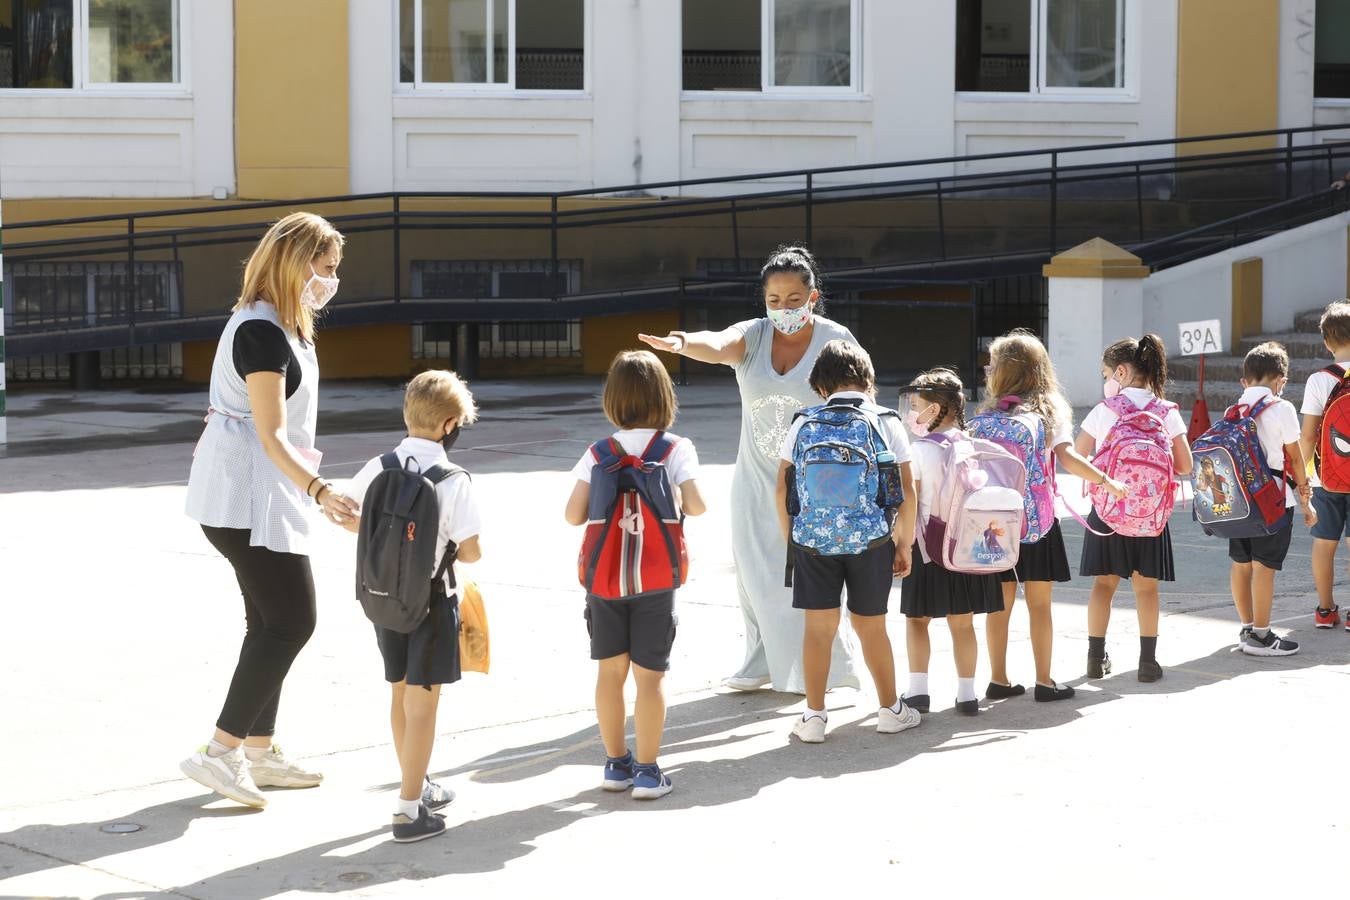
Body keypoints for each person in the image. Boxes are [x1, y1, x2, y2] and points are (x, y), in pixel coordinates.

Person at [181, 213, 358, 808]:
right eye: (326, 268)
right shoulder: (261, 332)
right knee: (291, 621)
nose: (331, 280)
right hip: (243, 498)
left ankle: (259, 751)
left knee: (271, 623)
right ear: (295, 263)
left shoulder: (282, 325)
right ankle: (221, 752)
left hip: (256, 494)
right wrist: (322, 492)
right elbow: (271, 434)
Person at [638, 245, 860, 694]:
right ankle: (760, 661)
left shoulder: (836, 339)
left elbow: (860, 401)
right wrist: (682, 342)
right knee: (755, 578)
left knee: (813, 577)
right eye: (774, 301)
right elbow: (719, 343)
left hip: (820, 483)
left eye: (794, 300)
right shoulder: (755, 335)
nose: (783, 309)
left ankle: (823, 670)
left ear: (812, 298)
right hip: (756, 480)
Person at [344, 370, 482, 842]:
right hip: (432, 603)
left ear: (408, 414)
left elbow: (346, 511)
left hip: (385, 599)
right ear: (449, 424)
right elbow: (471, 550)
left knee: (399, 694)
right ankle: (408, 811)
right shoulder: (452, 477)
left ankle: (416, 783)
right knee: (424, 705)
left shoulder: (381, 465)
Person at [565, 350, 706, 799]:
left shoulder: (598, 452)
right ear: (664, 397)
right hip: (656, 578)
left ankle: (614, 765)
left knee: (610, 672)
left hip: (605, 579)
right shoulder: (674, 449)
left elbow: (573, 515)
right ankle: (648, 771)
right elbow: (697, 505)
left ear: (612, 400)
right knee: (651, 676)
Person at [775, 340, 921, 742]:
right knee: (871, 626)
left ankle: (815, 717)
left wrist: (797, 539)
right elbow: (907, 489)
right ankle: (891, 710)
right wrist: (903, 543)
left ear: (821, 385)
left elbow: (781, 488)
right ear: (867, 380)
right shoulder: (886, 420)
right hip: (871, 541)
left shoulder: (804, 421)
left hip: (812, 542)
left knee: (818, 629)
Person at [977, 330, 1126, 703]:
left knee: (1000, 604)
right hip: (1038, 523)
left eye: (992, 364)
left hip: (994, 525)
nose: (987, 369)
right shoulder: (1048, 414)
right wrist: (1105, 480)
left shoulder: (984, 416)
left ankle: (998, 678)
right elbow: (1069, 458)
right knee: (1040, 605)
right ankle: (1045, 681)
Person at [1076, 334, 1192, 683]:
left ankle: (1096, 659)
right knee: (1147, 589)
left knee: (1103, 585)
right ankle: (1147, 662)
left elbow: (1078, 454)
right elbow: (1185, 465)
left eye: (1106, 373)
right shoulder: (1166, 412)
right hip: (1151, 515)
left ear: (1122, 372)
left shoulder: (1104, 411)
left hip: (1109, 509)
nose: (1105, 380)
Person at [900, 368, 1004, 716]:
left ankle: (918, 692)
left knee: (917, 620)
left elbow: (909, 499)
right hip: (965, 547)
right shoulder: (971, 445)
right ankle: (966, 695)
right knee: (963, 622)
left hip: (927, 547)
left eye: (916, 405)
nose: (912, 412)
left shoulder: (919, 450)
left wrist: (899, 542)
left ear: (934, 409)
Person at [1223, 343, 1314, 656]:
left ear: (1244, 380)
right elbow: (1296, 456)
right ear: (1281, 379)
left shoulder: (1233, 410)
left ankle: (1248, 627)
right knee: (1264, 567)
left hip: (1238, 502)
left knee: (1241, 563)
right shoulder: (1282, 408)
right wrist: (1305, 494)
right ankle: (1262, 637)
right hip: (1271, 499)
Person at [1299, 300, 1350, 631]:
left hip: (1327, 476)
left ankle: (1325, 608)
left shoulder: (1319, 380)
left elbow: (1307, 436)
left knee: (1324, 542)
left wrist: (1302, 477)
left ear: (1326, 342)